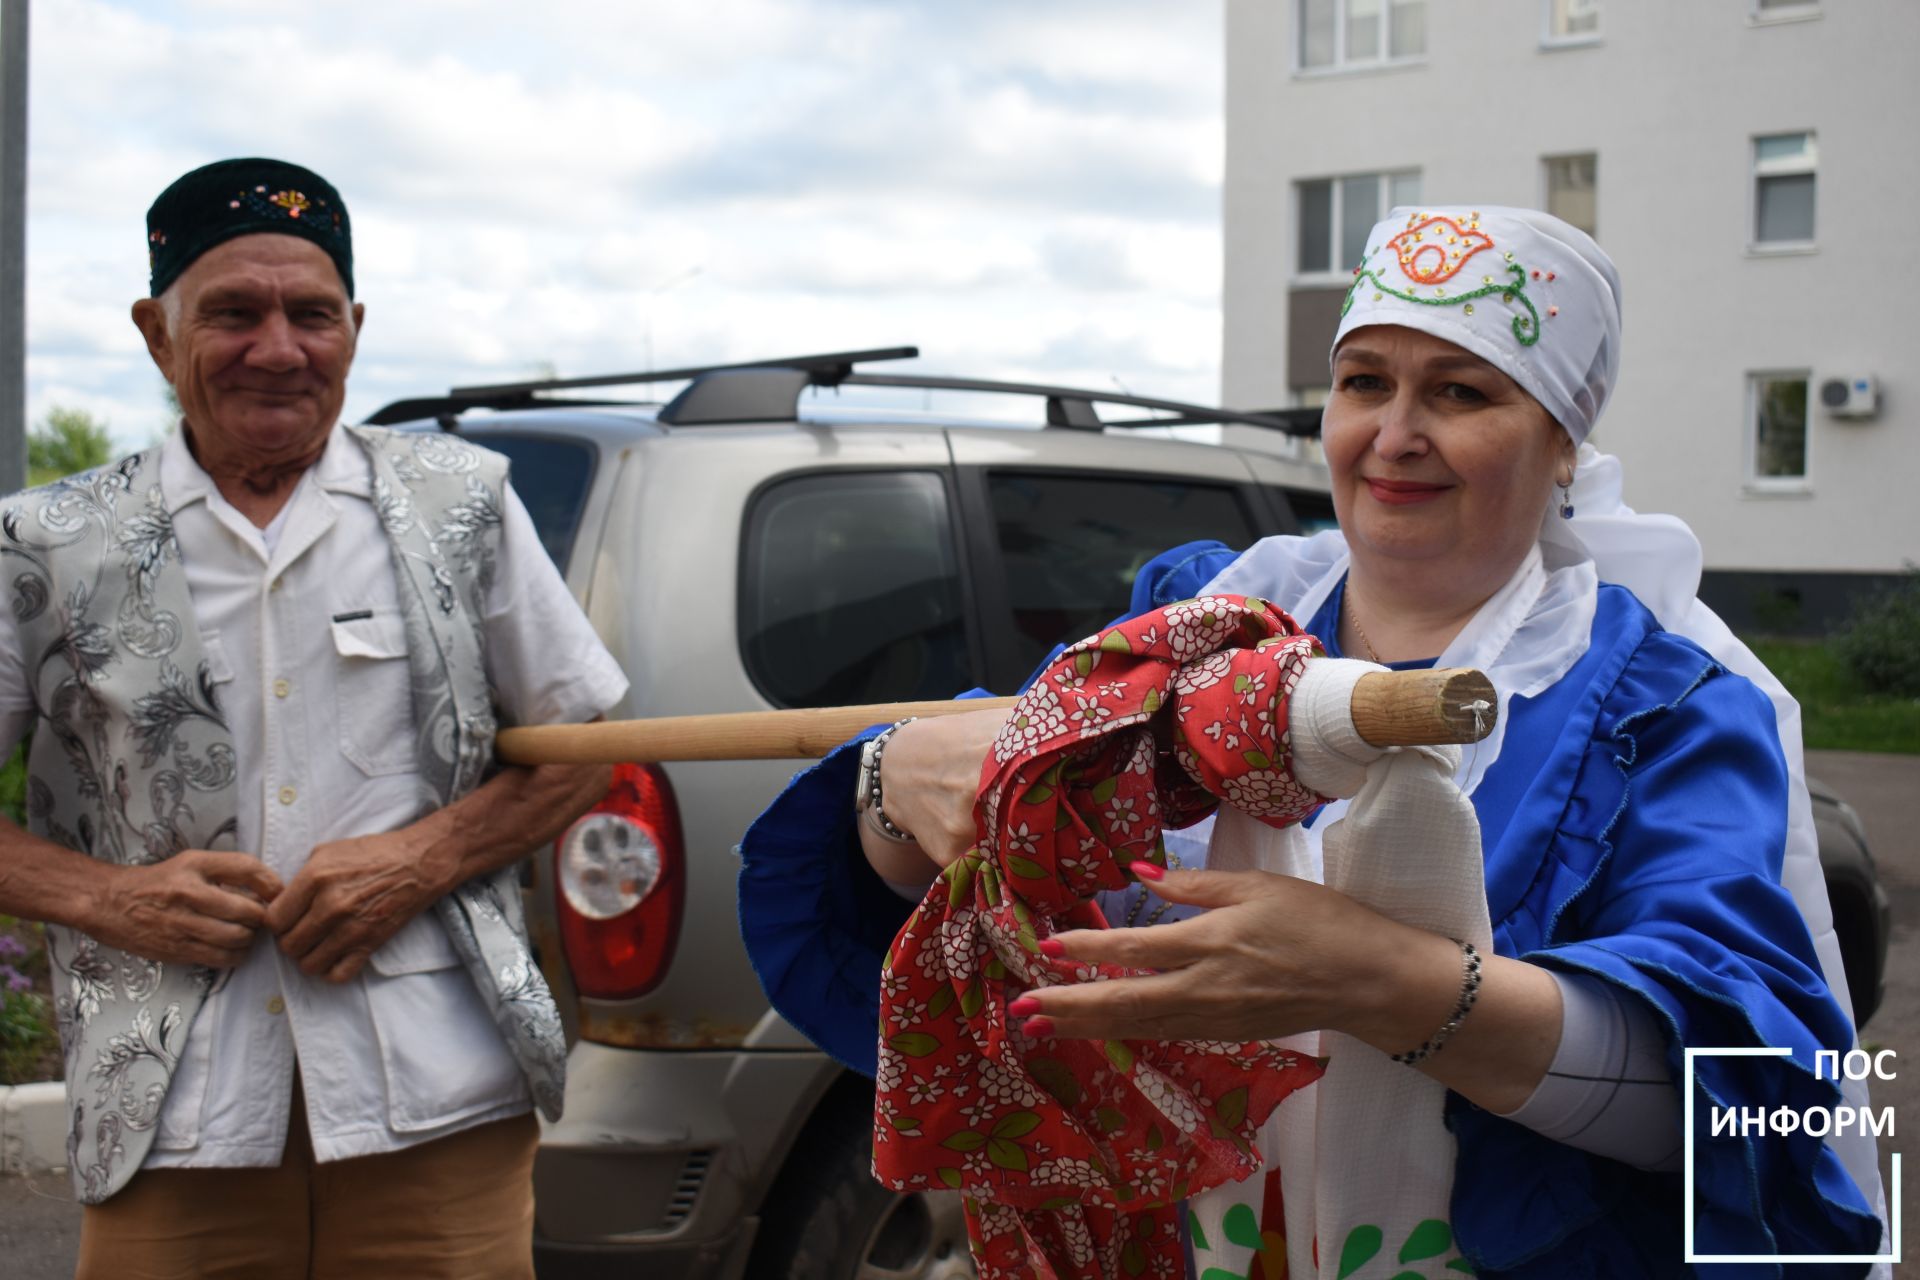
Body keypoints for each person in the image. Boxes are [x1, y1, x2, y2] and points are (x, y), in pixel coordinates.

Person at [738, 207, 1889, 1276]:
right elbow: (955, 876)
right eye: (1364, 382)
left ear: (1563, 445)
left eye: (1462, 392)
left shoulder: (1662, 705)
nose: (1395, 434)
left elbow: (1733, 1095)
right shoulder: (1194, 624)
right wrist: (891, 786)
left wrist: (1385, 982)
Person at [0, 157, 628, 1278]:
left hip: (437, 1095)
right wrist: (112, 896)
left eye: (313, 313)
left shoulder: (461, 499)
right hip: (169, 1113)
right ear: (156, 332)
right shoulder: (46, 540)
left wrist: (424, 853)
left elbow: (587, 742)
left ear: (354, 328)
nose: (279, 347)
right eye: (233, 312)